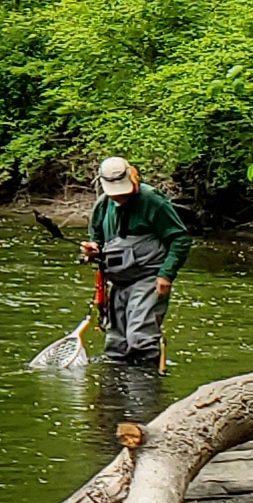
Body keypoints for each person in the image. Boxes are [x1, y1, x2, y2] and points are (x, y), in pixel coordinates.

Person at [76, 156, 189, 445]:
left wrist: (167, 274)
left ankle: (146, 410)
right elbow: (97, 239)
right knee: (116, 345)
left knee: (140, 336)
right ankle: (114, 406)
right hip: (118, 280)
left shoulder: (153, 201)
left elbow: (180, 239)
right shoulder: (103, 206)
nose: (121, 196)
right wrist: (92, 250)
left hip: (149, 277)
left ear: (133, 179)